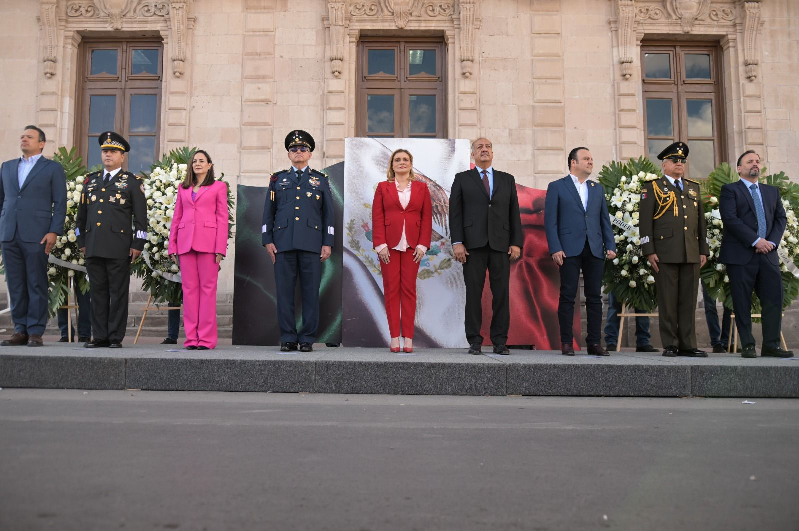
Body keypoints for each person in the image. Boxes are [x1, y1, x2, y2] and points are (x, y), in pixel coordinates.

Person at [262, 130, 334, 353]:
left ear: (310, 154)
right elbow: (268, 213)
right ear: (288, 154)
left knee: (311, 293)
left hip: (312, 244)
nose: (298, 152)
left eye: (303, 149)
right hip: (282, 244)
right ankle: (288, 337)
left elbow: (328, 214)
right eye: (294, 149)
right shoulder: (278, 179)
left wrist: (327, 241)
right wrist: (267, 240)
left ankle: (307, 339)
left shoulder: (320, 180)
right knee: (284, 293)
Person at [449, 138, 522, 355]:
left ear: (493, 153)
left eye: (488, 147)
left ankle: (500, 341)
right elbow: (455, 213)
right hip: (472, 245)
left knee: (501, 294)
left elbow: (514, 213)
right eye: (479, 147)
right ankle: (474, 340)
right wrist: (457, 242)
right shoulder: (462, 179)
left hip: (501, 244)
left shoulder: (506, 179)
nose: (484, 150)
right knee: (473, 293)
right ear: (472, 154)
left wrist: (516, 242)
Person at [718, 150, 793, 358]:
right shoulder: (730, 190)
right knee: (742, 302)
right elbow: (731, 219)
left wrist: (771, 242)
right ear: (739, 168)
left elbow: (781, 219)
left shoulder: (771, 191)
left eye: (758, 161)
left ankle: (771, 345)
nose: (755, 164)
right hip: (741, 255)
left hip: (768, 254)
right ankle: (748, 345)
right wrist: (755, 240)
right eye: (750, 161)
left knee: (773, 300)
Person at [76, 132, 148, 348]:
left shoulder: (132, 183)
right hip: (94, 246)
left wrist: (138, 244)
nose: (108, 155)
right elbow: (81, 217)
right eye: (105, 151)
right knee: (97, 294)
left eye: (113, 152)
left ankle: (115, 337)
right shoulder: (91, 181)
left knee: (117, 294)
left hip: (119, 248)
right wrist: (81, 242)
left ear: (122, 156)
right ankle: (99, 336)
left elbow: (141, 219)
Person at [545, 147, 616, 356]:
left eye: (592, 159)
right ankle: (566, 342)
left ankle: (594, 342)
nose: (590, 162)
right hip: (568, 248)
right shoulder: (557, 187)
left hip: (594, 247)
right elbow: (550, 221)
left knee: (595, 297)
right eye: (586, 158)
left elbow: (604, 220)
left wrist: (610, 245)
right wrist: (555, 247)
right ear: (573, 163)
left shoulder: (597, 188)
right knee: (568, 295)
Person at [0, 125, 67, 347]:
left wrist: (54, 231)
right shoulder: (7, 167)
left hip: (37, 234)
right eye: (22, 136)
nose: (24, 139)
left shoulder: (52, 168)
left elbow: (60, 203)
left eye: (29, 137)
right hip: (10, 233)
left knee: (36, 282)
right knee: (16, 283)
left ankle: (35, 331)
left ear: (41, 143)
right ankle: (20, 330)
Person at [639, 142, 708, 357]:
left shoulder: (693, 187)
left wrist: (703, 249)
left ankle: (688, 344)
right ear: (664, 165)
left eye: (682, 161)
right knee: (668, 300)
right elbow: (645, 222)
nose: (679, 164)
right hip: (665, 252)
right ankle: (670, 344)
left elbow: (700, 222)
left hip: (690, 251)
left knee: (688, 301)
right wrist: (649, 250)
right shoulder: (652, 187)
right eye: (675, 161)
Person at [371, 149, 432, 353]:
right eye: (397, 160)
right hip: (388, 246)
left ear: (411, 164)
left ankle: (408, 337)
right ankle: (394, 337)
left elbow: (426, 218)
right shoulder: (382, 188)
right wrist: (380, 245)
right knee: (391, 291)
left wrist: (423, 245)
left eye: (405, 159)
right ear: (392, 165)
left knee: (408, 290)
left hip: (413, 247)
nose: (401, 163)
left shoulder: (422, 188)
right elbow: (377, 216)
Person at [168, 149, 228, 350]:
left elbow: (222, 218)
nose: (198, 164)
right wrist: (172, 246)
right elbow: (177, 217)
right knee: (189, 292)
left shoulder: (219, 187)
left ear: (209, 165)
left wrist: (220, 248)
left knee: (208, 291)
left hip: (209, 245)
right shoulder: (183, 188)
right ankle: (192, 338)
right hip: (185, 244)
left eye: (202, 161)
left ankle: (207, 339)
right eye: (194, 161)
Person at [701, 281, 732, 353]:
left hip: (730, 271)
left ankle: (728, 341)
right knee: (710, 306)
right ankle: (716, 342)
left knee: (730, 305)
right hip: (709, 271)